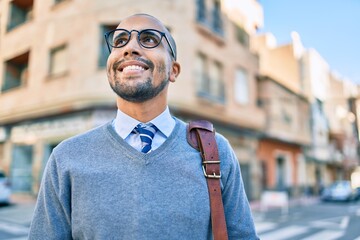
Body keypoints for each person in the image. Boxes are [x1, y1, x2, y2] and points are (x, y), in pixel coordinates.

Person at [28, 13, 259, 239]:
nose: (129, 48)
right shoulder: (66, 157)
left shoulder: (214, 151)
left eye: (149, 39)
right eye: (120, 41)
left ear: (173, 70)